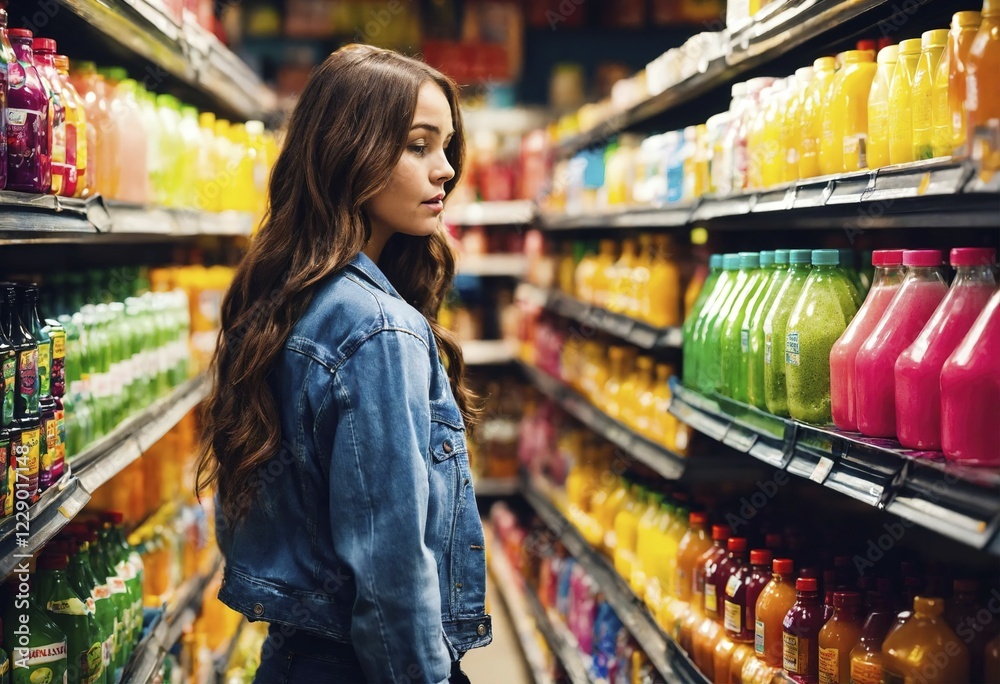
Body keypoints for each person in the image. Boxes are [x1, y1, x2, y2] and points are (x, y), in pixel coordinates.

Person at [197, 44, 492, 684]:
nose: (444, 170)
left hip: (293, 655)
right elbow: (391, 574)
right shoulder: (378, 328)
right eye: (418, 146)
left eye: (446, 147)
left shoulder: (286, 296)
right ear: (346, 150)